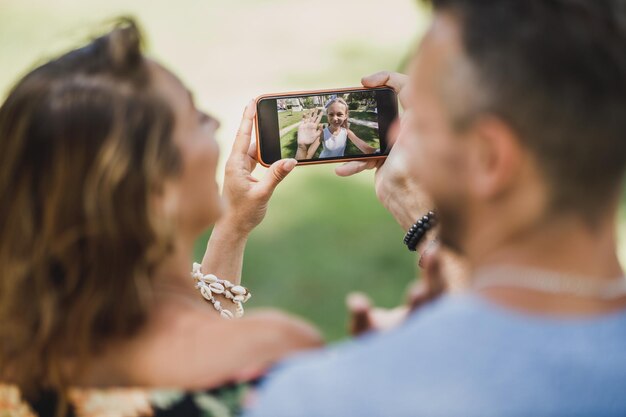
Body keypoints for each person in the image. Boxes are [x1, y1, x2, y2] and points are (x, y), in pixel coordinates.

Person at [245, 0, 626, 415]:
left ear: (489, 158)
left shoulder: (318, 398)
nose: (396, 135)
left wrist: (417, 349)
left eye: (419, 121)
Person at [0, 19, 323, 416]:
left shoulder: (18, 360)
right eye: (194, 117)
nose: (217, 123)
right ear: (155, 190)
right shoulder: (270, 358)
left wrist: (234, 225)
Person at [294, 98, 377, 160]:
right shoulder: (322, 133)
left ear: (345, 116)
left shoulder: (346, 132)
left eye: (339, 114)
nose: (335, 118)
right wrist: (302, 147)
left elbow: (367, 149)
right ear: (327, 115)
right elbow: (307, 157)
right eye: (331, 114)